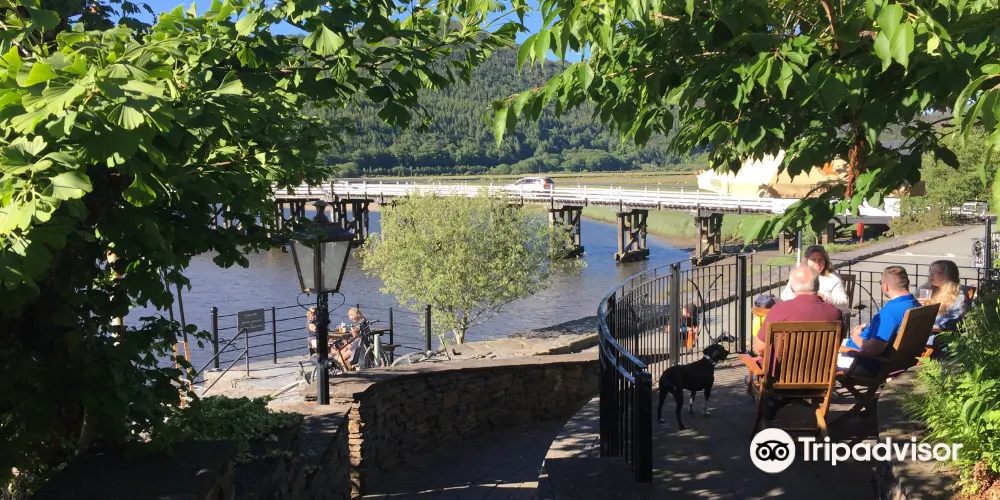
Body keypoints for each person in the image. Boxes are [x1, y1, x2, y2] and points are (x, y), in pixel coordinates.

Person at [837, 266, 920, 376]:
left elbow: (874, 350)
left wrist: (855, 335)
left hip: (863, 362)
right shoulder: (915, 305)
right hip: (901, 362)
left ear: (885, 286)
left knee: (823, 353)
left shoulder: (890, 313)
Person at [753, 265, 843, 358]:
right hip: (822, 366)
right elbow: (837, 345)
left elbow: (759, 349)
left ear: (792, 287)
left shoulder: (779, 309)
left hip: (782, 366)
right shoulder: (834, 312)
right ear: (818, 286)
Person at [779, 245, 849, 308]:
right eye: (813, 259)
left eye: (821, 259)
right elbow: (784, 297)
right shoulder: (799, 274)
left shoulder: (833, 278)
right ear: (806, 261)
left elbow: (844, 303)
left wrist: (825, 298)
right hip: (798, 309)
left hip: (822, 312)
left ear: (825, 261)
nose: (817, 263)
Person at [917, 260, 971, 331]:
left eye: (935, 273)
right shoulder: (932, 291)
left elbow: (954, 320)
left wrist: (928, 317)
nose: (931, 275)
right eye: (931, 272)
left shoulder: (958, 297)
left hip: (939, 335)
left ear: (948, 276)